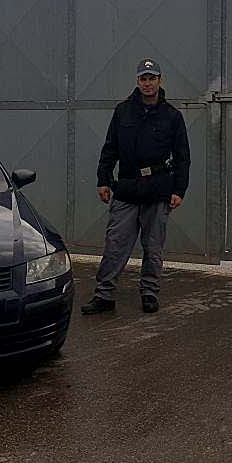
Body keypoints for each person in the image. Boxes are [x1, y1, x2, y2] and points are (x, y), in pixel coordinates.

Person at [81, 58, 190, 315]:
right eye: (143, 78)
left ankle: (149, 293)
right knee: (115, 244)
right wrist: (103, 180)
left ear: (160, 80)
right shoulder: (123, 112)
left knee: (153, 247)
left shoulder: (172, 116)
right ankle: (104, 295)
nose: (148, 83)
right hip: (128, 188)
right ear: (137, 81)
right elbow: (110, 148)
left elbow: (182, 157)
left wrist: (179, 190)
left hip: (158, 189)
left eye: (152, 78)